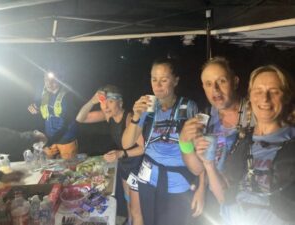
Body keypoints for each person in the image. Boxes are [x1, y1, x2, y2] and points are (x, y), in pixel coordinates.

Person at [196, 65, 295, 225]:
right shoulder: (243, 140)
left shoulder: (291, 143)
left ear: (287, 96)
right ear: (250, 96)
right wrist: (209, 165)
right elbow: (224, 197)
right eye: (258, 91)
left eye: (274, 91)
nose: (265, 99)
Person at [122, 58, 204, 225]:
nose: (157, 85)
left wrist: (201, 188)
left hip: (177, 183)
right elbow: (126, 143)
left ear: (175, 81)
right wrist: (136, 116)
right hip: (147, 178)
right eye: (154, 79)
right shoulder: (148, 107)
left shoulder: (188, 107)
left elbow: (201, 152)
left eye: (164, 80)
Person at [179, 57, 252, 224]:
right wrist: (184, 142)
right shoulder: (206, 117)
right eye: (209, 84)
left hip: (245, 201)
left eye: (221, 81)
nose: (215, 89)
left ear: (235, 81)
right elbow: (198, 167)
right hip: (215, 197)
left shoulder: (254, 112)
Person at [76, 85, 144, 225]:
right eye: (103, 101)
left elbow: (143, 148)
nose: (106, 106)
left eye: (111, 101)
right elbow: (80, 118)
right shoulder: (109, 115)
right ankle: (130, 221)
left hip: (137, 165)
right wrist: (92, 101)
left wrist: (120, 153)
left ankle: (134, 220)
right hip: (124, 162)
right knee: (127, 198)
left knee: (137, 207)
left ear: (121, 102)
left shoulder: (129, 118)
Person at [28, 71, 78, 160]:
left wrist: (49, 141)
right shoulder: (44, 94)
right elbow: (47, 111)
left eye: (53, 80)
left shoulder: (69, 96)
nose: (49, 84)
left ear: (60, 80)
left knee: (69, 167)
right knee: (48, 166)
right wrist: (36, 109)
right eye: (46, 80)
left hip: (66, 140)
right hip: (49, 138)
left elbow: (67, 122)